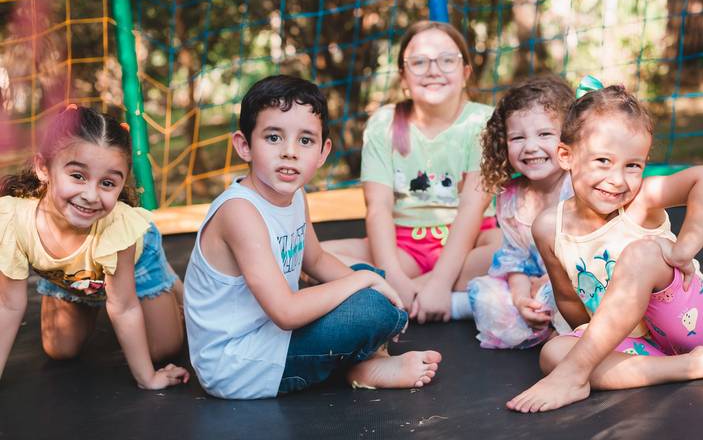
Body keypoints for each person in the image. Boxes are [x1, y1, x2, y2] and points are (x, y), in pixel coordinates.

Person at [507, 80, 703, 413]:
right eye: (603, 161)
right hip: (636, 346)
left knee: (642, 253)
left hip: (690, 324)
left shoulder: (641, 201)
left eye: (633, 165)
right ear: (566, 156)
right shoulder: (548, 227)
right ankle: (691, 367)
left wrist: (683, 249)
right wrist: (585, 342)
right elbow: (569, 299)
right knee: (552, 353)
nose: (617, 180)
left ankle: (575, 374)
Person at [183, 75, 441, 399]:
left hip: (273, 335)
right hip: (239, 364)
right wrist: (363, 284)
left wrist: (371, 282)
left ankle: (372, 359)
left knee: (374, 281)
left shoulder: (294, 194)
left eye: (305, 141)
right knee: (371, 301)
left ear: (322, 152)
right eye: (274, 137)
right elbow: (286, 312)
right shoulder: (240, 212)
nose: (290, 152)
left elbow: (315, 259)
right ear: (244, 145)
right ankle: (363, 363)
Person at [322, 21, 501, 323]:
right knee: (308, 258)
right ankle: (403, 289)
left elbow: (473, 207)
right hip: (405, 244)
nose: (433, 70)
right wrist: (393, 274)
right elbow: (378, 207)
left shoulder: (483, 121)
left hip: (471, 241)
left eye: (447, 60)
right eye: (418, 62)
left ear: (466, 72)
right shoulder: (384, 123)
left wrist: (438, 284)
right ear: (403, 77)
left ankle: (397, 293)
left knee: (510, 251)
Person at [0, 104, 188, 389]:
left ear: (122, 184)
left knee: (161, 350)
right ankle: (91, 300)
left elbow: (123, 307)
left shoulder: (118, 225)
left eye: (108, 183)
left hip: (136, 264)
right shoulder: (14, 219)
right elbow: (9, 304)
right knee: (59, 350)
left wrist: (148, 379)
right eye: (77, 176)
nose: (90, 195)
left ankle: (171, 284)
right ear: (43, 168)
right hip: (73, 278)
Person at [467, 75, 574, 350]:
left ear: (571, 136)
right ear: (504, 143)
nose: (530, 147)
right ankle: (541, 325)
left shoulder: (580, 186)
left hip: (578, 281)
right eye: (517, 137)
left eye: (545, 134)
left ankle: (567, 331)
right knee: (486, 295)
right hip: (536, 287)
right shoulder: (510, 197)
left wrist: (548, 284)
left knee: (567, 293)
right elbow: (515, 259)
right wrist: (520, 298)